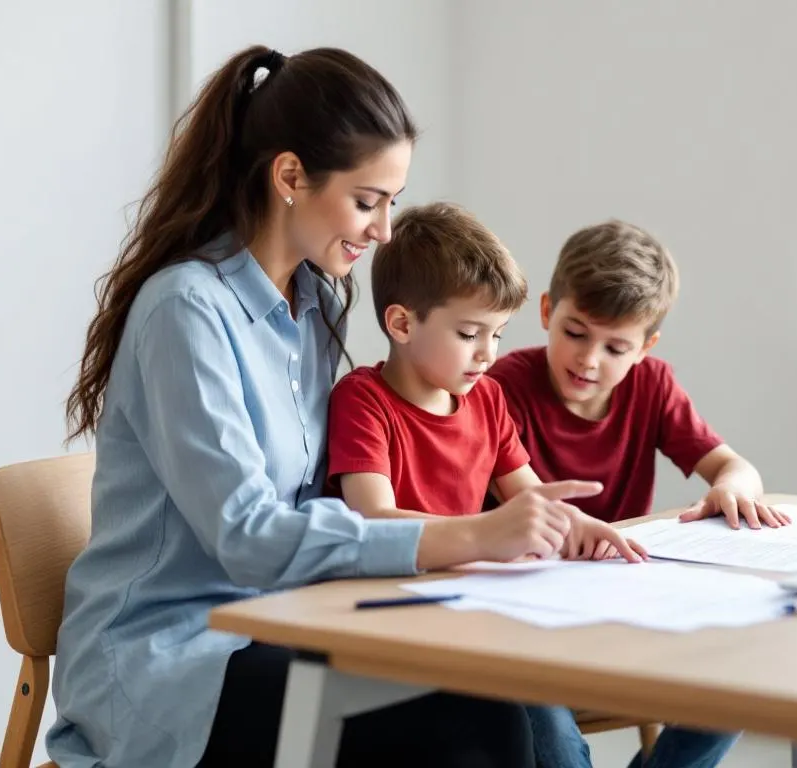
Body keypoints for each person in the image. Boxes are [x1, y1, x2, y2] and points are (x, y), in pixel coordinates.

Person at [49, 45, 595, 768]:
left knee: (499, 698)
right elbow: (247, 534)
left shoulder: (311, 305)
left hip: (281, 625)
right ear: (290, 176)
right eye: (368, 202)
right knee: (468, 727)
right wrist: (466, 537)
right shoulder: (186, 311)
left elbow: (313, 502)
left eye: (392, 203)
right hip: (175, 664)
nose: (384, 231)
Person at [325, 201, 646, 768]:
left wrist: (583, 526)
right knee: (535, 711)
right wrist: (486, 532)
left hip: (480, 607)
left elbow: (530, 496)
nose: (487, 354)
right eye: (470, 333)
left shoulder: (487, 399)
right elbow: (369, 518)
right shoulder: (364, 400)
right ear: (401, 324)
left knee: (562, 706)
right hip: (398, 607)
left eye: (497, 334)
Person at [487, 219, 792, 768]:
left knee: (742, 678)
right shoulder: (502, 386)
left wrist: (732, 488)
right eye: (575, 332)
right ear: (546, 312)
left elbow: (734, 466)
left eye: (615, 347)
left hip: (622, 607)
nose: (588, 360)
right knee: (552, 737)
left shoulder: (652, 385)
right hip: (526, 611)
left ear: (645, 347)